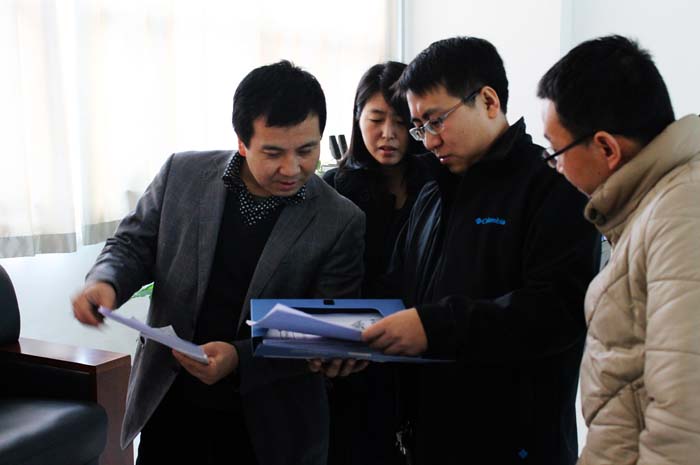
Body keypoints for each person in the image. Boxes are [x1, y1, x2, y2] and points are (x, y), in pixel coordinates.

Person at [71, 60, 366, 465]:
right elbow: (133, 244)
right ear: (242, 142)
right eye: (273, 152)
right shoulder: (182, 174)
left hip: (270, 425)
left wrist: (239, 358)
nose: (292, 168)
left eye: (306, 150)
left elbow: (325, 328)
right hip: (171, 402)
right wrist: (105, 282)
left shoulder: (340, 219)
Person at [362, 37, 601, 464]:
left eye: (436, 121)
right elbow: (398, 290)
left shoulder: (552, 186)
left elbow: (556, 311)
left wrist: (435, 326)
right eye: (419, 127)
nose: (428, 141)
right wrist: (351, 340)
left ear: (489, 101)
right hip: (430, 437)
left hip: (515, 442)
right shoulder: (431, 195)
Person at [537, 35, 700, 464]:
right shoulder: (652, 206)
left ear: (607, 148)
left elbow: (684, 419)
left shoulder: (680, 215)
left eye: (556, 152)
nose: (556, 167)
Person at [322, 61, 429, 465]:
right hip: (352, 362)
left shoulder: (437, 186)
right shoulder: (333, 190)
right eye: (376, 119)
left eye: (401, 122)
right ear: (357, 118)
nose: (388, 134)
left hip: (420, 352)